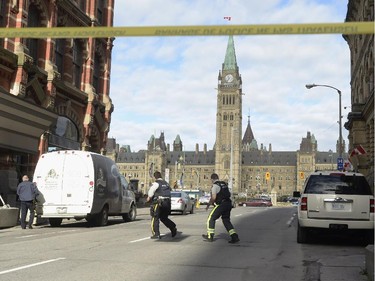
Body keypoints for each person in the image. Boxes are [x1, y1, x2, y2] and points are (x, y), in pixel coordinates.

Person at [202, 173, 240, 243]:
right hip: (228, 203)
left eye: (211, 180)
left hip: (222, 204)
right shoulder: (224, 184)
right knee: (226, 220)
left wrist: (208, 205)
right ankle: (234, 237)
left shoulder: (215, 186)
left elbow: (213, 197)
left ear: (212, 179)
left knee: (211, 218)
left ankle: (210, 236)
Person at [146, 171, 177, 239]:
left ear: (155, 177)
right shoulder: (166, 183)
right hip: (168, 203)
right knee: (164, 218)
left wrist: (148, 198)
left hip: (159, 202)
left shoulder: (156, 183)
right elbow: (170, 190)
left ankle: (156, 234)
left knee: (155, 217)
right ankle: (173, 227)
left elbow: (150, 193)